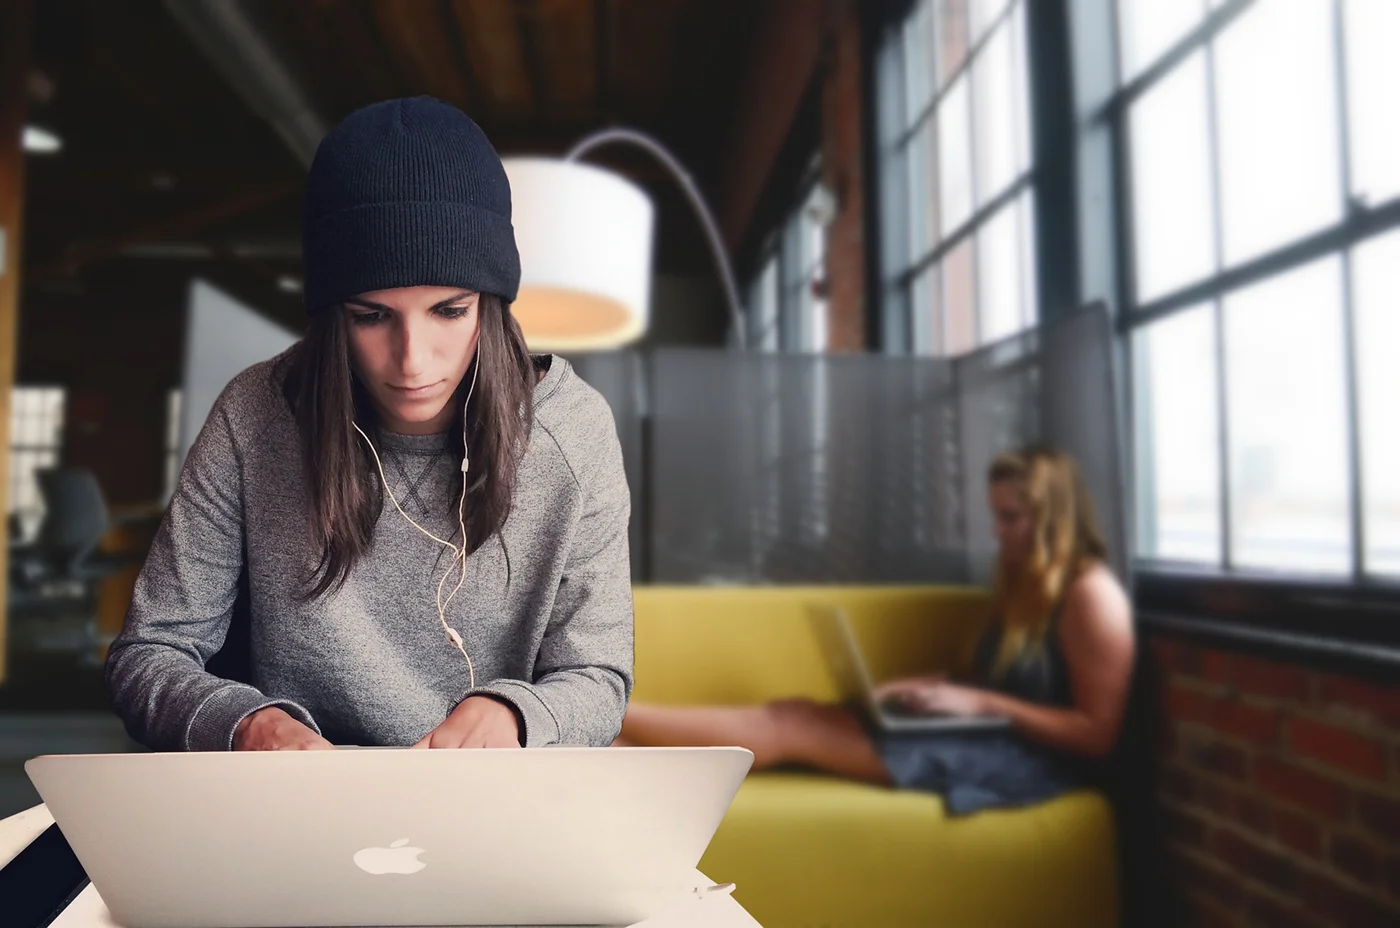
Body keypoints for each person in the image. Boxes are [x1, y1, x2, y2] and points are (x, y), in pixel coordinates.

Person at [106, 97, 634, 753]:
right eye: (370, 316)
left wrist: (518, 718)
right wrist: (248, 726)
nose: (412, 361)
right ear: (333, 316)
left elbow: (600, 680)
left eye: (449, 310)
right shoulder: (254, 417)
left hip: (500, 800)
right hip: (296, 808)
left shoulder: (573, 433)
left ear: (491, 306)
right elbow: (149, 652)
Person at [617, 446, 1135, 813]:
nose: (999, 533)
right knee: (797, 712)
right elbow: (1001, 680)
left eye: (1012, 518)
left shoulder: (1093, 596)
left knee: (791, 726)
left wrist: (987, 706)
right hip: (985, 733)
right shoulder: (1029, 584)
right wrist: (938, 689)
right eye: (996, 517)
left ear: (1054, 516)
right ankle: (606, 742)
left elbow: (1097, 736)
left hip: (1025, 763)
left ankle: (611, 715)